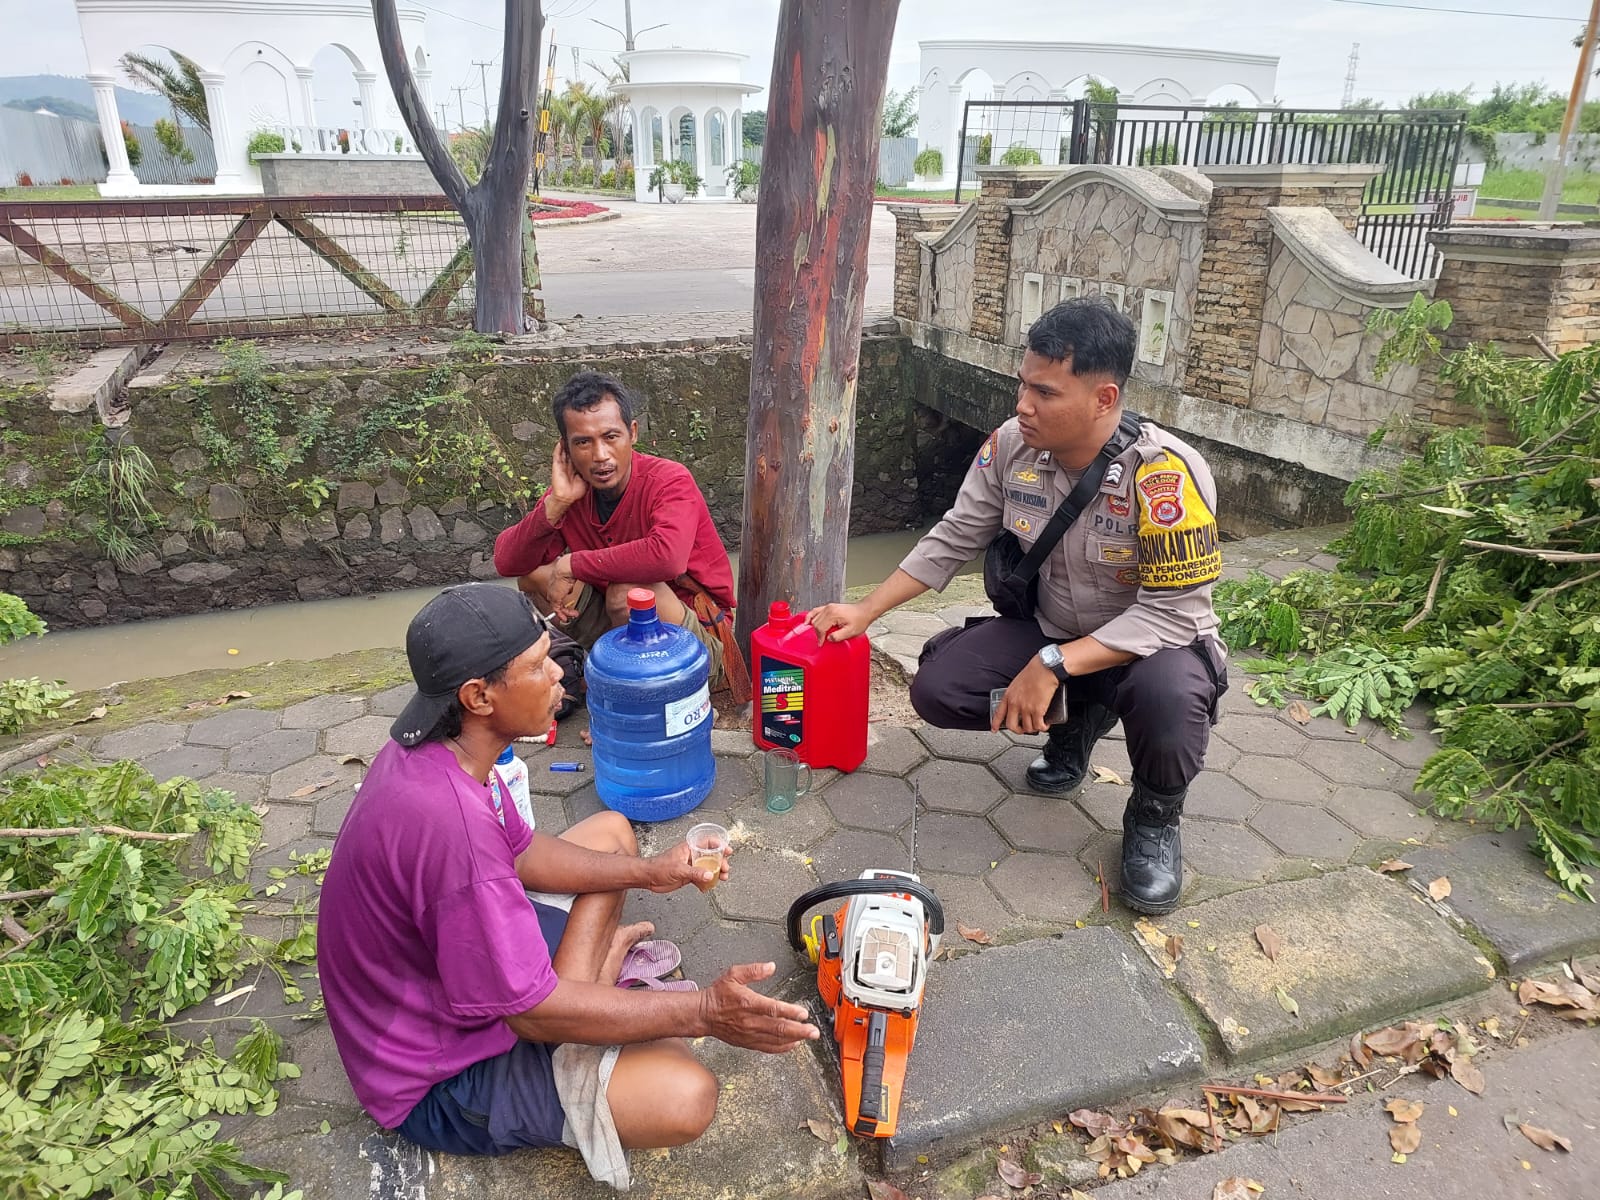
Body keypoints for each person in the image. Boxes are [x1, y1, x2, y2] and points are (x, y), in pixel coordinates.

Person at [318, 583, 817, 1185]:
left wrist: (651, 873)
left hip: (455, 966)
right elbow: (531, 1017)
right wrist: (705, 1012)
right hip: (436, 1075)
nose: (558, 673)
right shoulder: (453, 829)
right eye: (537, 666)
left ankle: (586, 987)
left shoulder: (442, 750)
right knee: (685, 1094)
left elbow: (523, 851)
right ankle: (586, 991)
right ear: (478, 696)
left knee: (613, 834)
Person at [808, 298, 1226, 916]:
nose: (1023, 405)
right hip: (1054, 626)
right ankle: (1076, 724)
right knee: (940, 689)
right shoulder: (1009, 447)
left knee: (1169, 695)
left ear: (1104, 399)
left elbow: (1171, 614)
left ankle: (1154, 819)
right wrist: (868, 610)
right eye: (1023, 385)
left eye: (1045, 393)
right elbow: (956, 535)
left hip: (1152, 647)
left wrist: (1053, 665)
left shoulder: (1166, 477)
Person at [494, 371, 748, 701]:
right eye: (583, 442)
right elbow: (508, 563)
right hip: (621, 626)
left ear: (632, 433)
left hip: (697, 648)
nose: (600, 455)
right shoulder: (572, 492)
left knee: (629, 594)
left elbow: (667, 557)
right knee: (536, 575)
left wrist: (572, 564)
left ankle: (624, 689)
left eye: (611, 436)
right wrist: (555, 505)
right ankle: (612, 668)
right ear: (565, 449)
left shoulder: (670, 480)